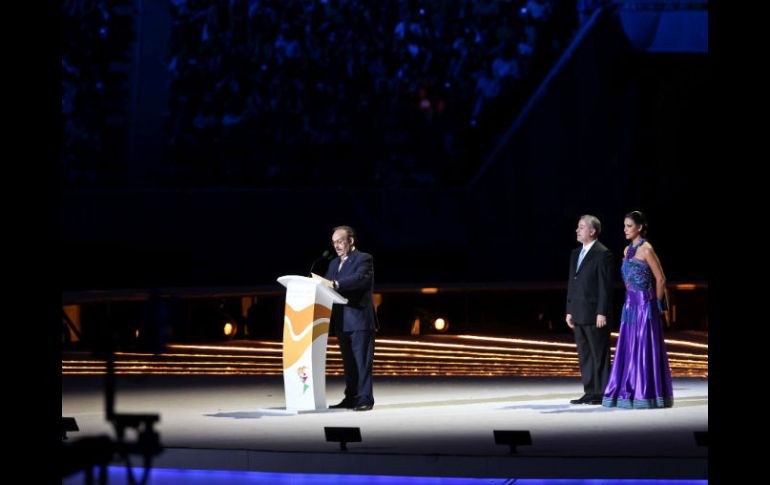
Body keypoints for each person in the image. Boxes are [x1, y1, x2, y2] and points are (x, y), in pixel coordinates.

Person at [602, 211, 674, 408]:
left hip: (644, 306)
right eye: (624, 226)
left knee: (643, 348)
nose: (625, 230)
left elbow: (660, 278)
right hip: (630, 305)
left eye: (629, 226)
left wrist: (657, 305)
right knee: (629, 348)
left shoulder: (647, 249)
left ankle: (647, 393)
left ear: (639, 227)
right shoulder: (627, 251)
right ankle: (629, 388)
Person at [324, 225, 377, 411]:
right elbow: (326, 285)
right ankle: (351, 397)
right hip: (341, 320)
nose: (336, 246)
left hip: (359, 319)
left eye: (340, 241)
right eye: (334, 242)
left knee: (362, 363)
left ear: (351, 241)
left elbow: (360, 279)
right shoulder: (332, 264)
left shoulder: (364, 258)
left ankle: (365, 399)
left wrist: (336, 283)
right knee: (348, 363)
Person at [566, 214, 613, 405]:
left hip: (594, 313)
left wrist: (602, 311)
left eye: (581, 227)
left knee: (599, 353)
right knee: (584, 353)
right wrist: (569, 309)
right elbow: (572, 282)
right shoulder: (575, 253)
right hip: (579, 311)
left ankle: (602, 392)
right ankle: (590, 390)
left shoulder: (603, 253)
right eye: (578, 227)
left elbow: (605, 286)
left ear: (592, 231)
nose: (577, 230)